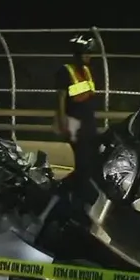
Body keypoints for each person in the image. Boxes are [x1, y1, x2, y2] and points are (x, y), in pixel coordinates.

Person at [54, 33, 98, 182]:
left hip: (89, 122)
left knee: (91, 160)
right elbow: (61, 98)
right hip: (75, 123)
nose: (88, 57)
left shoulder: (87, 71)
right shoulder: (65, 71)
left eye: (90, 54)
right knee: (83, 161)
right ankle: (75, 189)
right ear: (77, 54)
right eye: (86, 54)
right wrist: (62, 123)